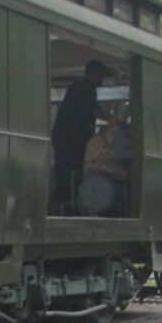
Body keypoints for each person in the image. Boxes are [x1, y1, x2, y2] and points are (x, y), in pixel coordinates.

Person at [50, 60, 117, 213]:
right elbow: (95, 111)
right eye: (100, 75)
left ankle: (64, 203)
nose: (101, 80)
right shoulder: (85, 88)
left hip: (65, 139)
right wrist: (114, 121)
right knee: (70, 172)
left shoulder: (77, 86)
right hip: (70, 141)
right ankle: (67, 204)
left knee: (66, 172)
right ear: (93, 73)